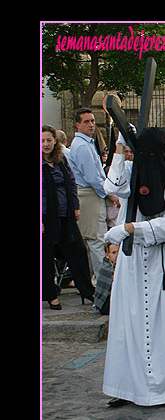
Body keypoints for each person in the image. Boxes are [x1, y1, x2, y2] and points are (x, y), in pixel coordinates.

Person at [101, 127, 165, 408]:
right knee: (129, 322)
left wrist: (130, 228)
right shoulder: (133, 178)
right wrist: (121, 147)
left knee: (164, 326)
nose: (142, 160)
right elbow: (111, 185)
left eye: (147, 154)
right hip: (133, 266)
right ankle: (128, 386)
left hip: (162, 264)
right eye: (138, 154)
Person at [42, 125, 96, 309]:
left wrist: (75, 206)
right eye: (42, 141)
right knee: (46, 256)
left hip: (65, 214)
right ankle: (51, 296)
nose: (46, 144)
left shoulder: (60, 159)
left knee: (78, 251)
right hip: (45, 216)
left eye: (49, 140)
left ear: (55, 141)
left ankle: (87, 290)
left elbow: (71, 182)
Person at [68, 108, 120, 280]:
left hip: (91, 193)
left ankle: (94, 279)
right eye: (86, 122)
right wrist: (109, 193)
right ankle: (100, 280)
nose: (91, 124)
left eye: (92, 121)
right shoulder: (82, 145)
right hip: (89, 194)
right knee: (96, 240)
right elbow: (92, 177)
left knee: (94, 240)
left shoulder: (86, 143)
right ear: (77, 125)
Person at [93, 242, 119, 315]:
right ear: (107, 255)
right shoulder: (106, 269)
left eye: (119, 252)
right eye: (114, 253)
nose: (117, 255)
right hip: (105, 304)